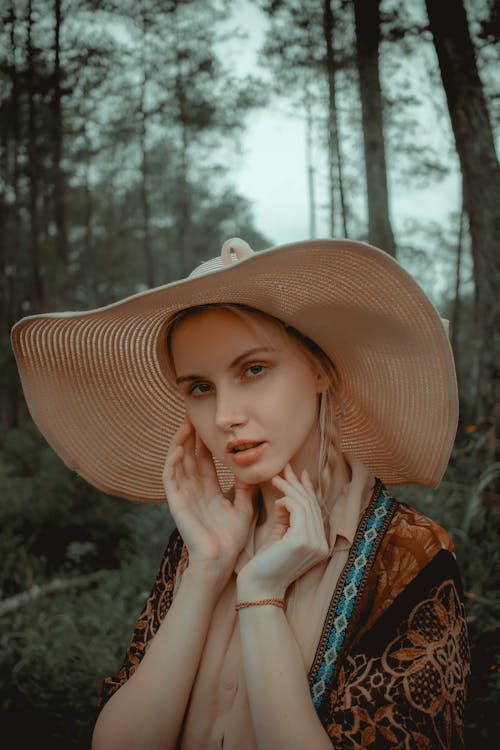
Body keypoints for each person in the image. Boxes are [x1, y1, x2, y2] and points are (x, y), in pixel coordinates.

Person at [11, 237, 470, 749]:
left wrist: (261, 595)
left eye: (253, 369)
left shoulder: (409, 554)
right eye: (200, 388)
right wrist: (207, 569)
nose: (225, 415)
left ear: (320, 368)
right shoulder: (201, 541)